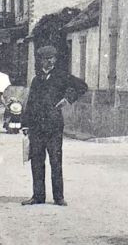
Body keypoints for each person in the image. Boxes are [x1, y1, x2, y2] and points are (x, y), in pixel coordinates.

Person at [20, 45, 88, 206]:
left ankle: (59, 197)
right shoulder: (36, 80)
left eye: (52, 58)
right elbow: (30, 103)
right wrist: (26, 124)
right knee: (36, 161)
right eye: (46, 59)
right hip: (36, 127)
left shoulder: (61, 76)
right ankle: (38, 196)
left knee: (55, 161)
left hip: (54, 127)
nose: (49, 62)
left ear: (55, 59)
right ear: (41, 61)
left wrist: (67, 99)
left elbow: (82, 86)